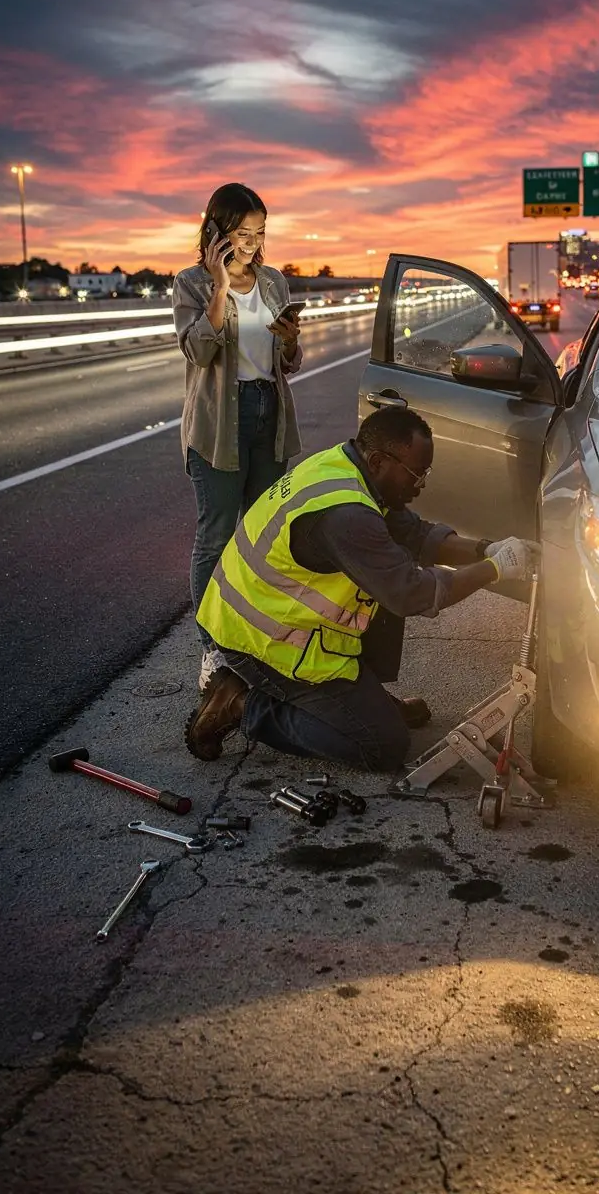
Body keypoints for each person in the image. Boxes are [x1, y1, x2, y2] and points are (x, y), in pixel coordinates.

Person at [183, 406, 536, 773]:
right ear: (380, 460)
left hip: (273, 620)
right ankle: (241, 704)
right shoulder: (346, 515)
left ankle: (361, 702)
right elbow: (412, 594)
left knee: (388, 568)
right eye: (416, 474)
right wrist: (496, 569)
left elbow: (415, 535)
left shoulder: (350, 470)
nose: (421, 485)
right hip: (259, 642)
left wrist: (485, 548)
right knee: (382, 745)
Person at [172, 183, 303, 693]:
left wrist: (291, 344)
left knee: (263, 537)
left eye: (260, 232)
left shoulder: (273, 283)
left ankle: (253, 637)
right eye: (242, 233)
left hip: (269, 415)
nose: (252, 243)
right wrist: (222, 287)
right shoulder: (191, 284)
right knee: (217, 535)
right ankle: (213, 651)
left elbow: (286, 365)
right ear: (216, 230)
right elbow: (199, 353)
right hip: (217, 426)